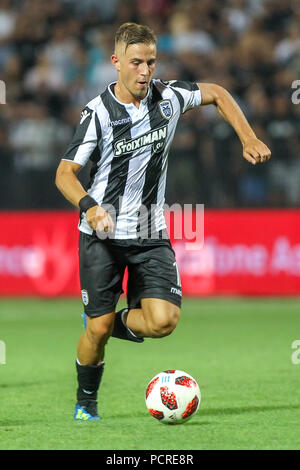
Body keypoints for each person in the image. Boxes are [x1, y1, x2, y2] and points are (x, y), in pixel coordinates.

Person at [55, 22, 271, 421]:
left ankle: (102, 319)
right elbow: (64, 173)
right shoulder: (97, 114)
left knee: (164, 321)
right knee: (98, 333)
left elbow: (218, 93)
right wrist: (89, 205)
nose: (144, 71)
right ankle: (86, 403)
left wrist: (248, 138)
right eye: (136, 62)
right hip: (101, 234)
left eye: (151, 62)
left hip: (150, 230)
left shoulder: (169, 97)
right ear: (116, 62)